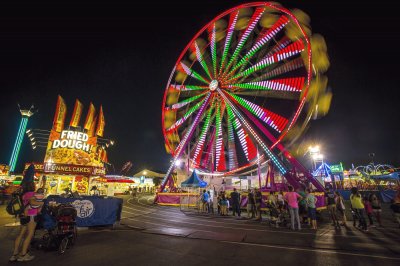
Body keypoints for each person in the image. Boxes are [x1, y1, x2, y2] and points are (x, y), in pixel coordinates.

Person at [9, 181, 44, 262]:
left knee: (20, 234)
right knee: (29, 234)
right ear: (32, 186)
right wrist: (42, 203)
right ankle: (23, 255)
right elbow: (32, 203)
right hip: (31, 216)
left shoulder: (24, 194)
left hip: (24, 216)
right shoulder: (32, 194)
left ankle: (15, 254)